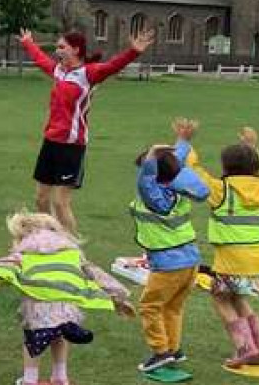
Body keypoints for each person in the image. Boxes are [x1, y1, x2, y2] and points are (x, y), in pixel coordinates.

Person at [0, 211, 133, 385]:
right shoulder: (71, 254)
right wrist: (120, 297)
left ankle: (29, 382)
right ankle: (61, 379)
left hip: (37, 310)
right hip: (67, 310)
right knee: (60, 337)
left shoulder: (23, 256)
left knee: (33, 344)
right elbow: (98, 275)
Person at [18, 25, 156, 233]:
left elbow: (113, 66)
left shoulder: (88, 73)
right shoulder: (59, 71)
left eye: (62, 47)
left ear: (75, 50)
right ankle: (48, 239)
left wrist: (134, 51)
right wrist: (28, 42)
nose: (57, 50)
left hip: (72, 145)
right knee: (41, 199)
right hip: (50, 142)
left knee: (60, 203)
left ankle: (73, 249)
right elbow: (40, 59)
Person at [174, 119, 259, 368]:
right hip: (257, 258)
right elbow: (258, 172)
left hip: (231, 257)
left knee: (220, 298)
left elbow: (195, 171)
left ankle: (244, 348)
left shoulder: (222, 190)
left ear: (226, 167)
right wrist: (252, 146)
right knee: (238, 297)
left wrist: (185, 142)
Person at [131, 142, 210, 373]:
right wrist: (182, 142)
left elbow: (146, 181)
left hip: (168, 265)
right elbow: (176, 164)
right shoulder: (180, 189)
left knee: (149, 306)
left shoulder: (155, 198)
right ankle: (173, 349)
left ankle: (160, 352)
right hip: (191, 261)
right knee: (173, 307)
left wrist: (151, 157)